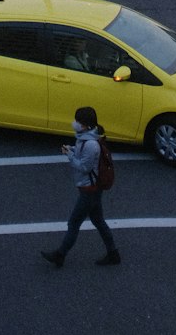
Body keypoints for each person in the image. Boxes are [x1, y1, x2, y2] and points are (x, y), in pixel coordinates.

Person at [42, 107, 119, 269]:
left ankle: (60, 255)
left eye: (78, 121)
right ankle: (113, 254)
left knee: (74, 223)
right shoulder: (86, 139)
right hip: (91, 189)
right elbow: (83, 154)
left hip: (89, 190)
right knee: (98, 220)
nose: (75, 123)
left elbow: (84, 167)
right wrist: (73, 149)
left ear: (84, 125)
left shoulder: (91, 144)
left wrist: (69, 156)